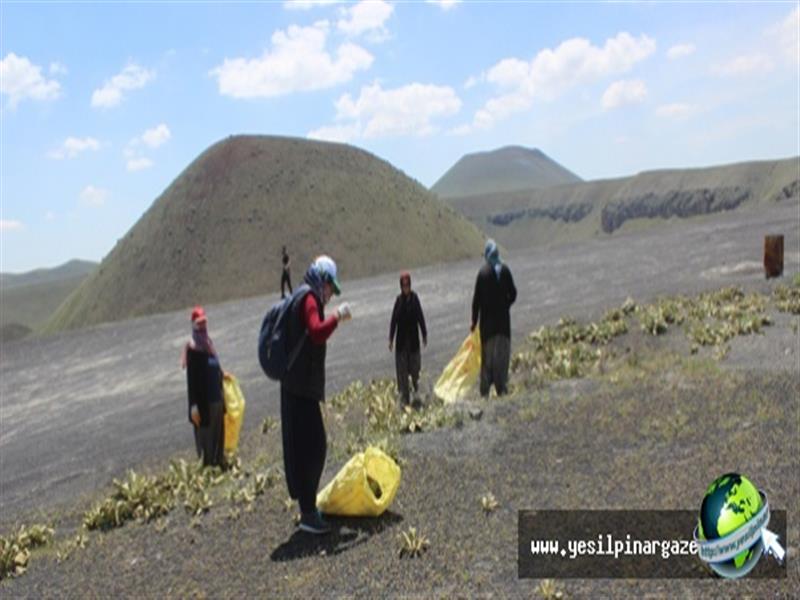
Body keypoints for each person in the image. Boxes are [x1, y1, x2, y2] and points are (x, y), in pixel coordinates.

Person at [280, 255, 351, 534]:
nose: (331, 293)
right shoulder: (309, 299)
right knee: (315, 446)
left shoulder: (304, 296)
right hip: (300, 389)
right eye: (330, 286)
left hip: (297, 387)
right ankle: (309, 514)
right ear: (321, 279)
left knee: (305, 447)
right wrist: (337, 317)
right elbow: (316, 332)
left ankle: (308, 509)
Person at [471, 240, 517, 397]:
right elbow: (513, 294)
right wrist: (505, 306)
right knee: (501, 362)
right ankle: (502, 391)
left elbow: (476, 301)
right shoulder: (505, 271)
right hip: (503, 328)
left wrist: (474, 322)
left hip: (487, 329)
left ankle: (484, 394)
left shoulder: (483, 274)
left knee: (487, 362)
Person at [182, 306, 225, 467]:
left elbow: (216, 366)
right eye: (199, 324)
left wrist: (222, 375)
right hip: (203, 402)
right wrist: (193, 405)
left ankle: (218, 461)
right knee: (205, 433)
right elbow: (192, 380)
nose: (202, 327)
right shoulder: (193, 348)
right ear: (193, 325)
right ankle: (207, 465)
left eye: (204, 323)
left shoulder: (209, 344)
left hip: (216, 399)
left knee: (217, 432)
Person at [389, 271, 427, 406]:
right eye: (403, 285)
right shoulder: (398, 302)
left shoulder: (415, 299)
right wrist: (391, 339)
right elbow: (393, 321)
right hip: (401, 345)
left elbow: (420, 317)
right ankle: (404, 400)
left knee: (415, 370)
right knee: (402, 373)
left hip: (413, 343)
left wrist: (424, 334)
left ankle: (417, 396)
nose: (406, 288)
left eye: (407, 285)